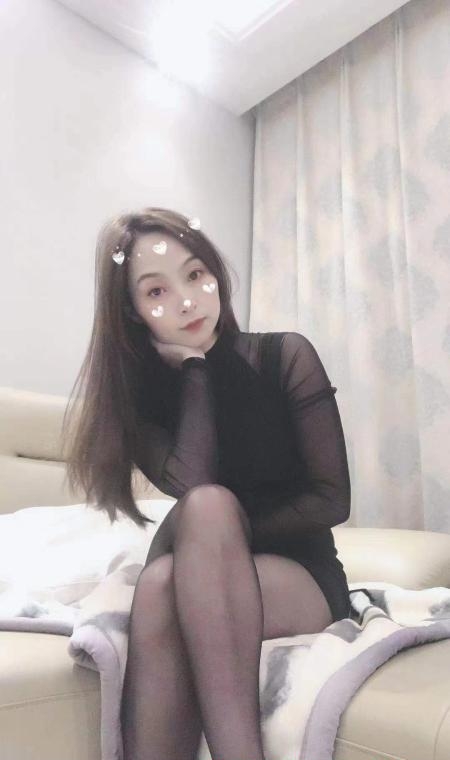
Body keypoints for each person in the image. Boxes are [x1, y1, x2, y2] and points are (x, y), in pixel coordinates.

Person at [61, 207, 351, 760]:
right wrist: (196, 371)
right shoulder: (140, 403)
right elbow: (192, 484)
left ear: (215, 273)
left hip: (302, 573)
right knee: (186, 546)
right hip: (195, 570)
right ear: (133, 311)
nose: (187, 301)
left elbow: (332, 500)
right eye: (157, 292)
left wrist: (226, 541)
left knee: (174, 569)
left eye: (195, 275)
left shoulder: (284, 356)